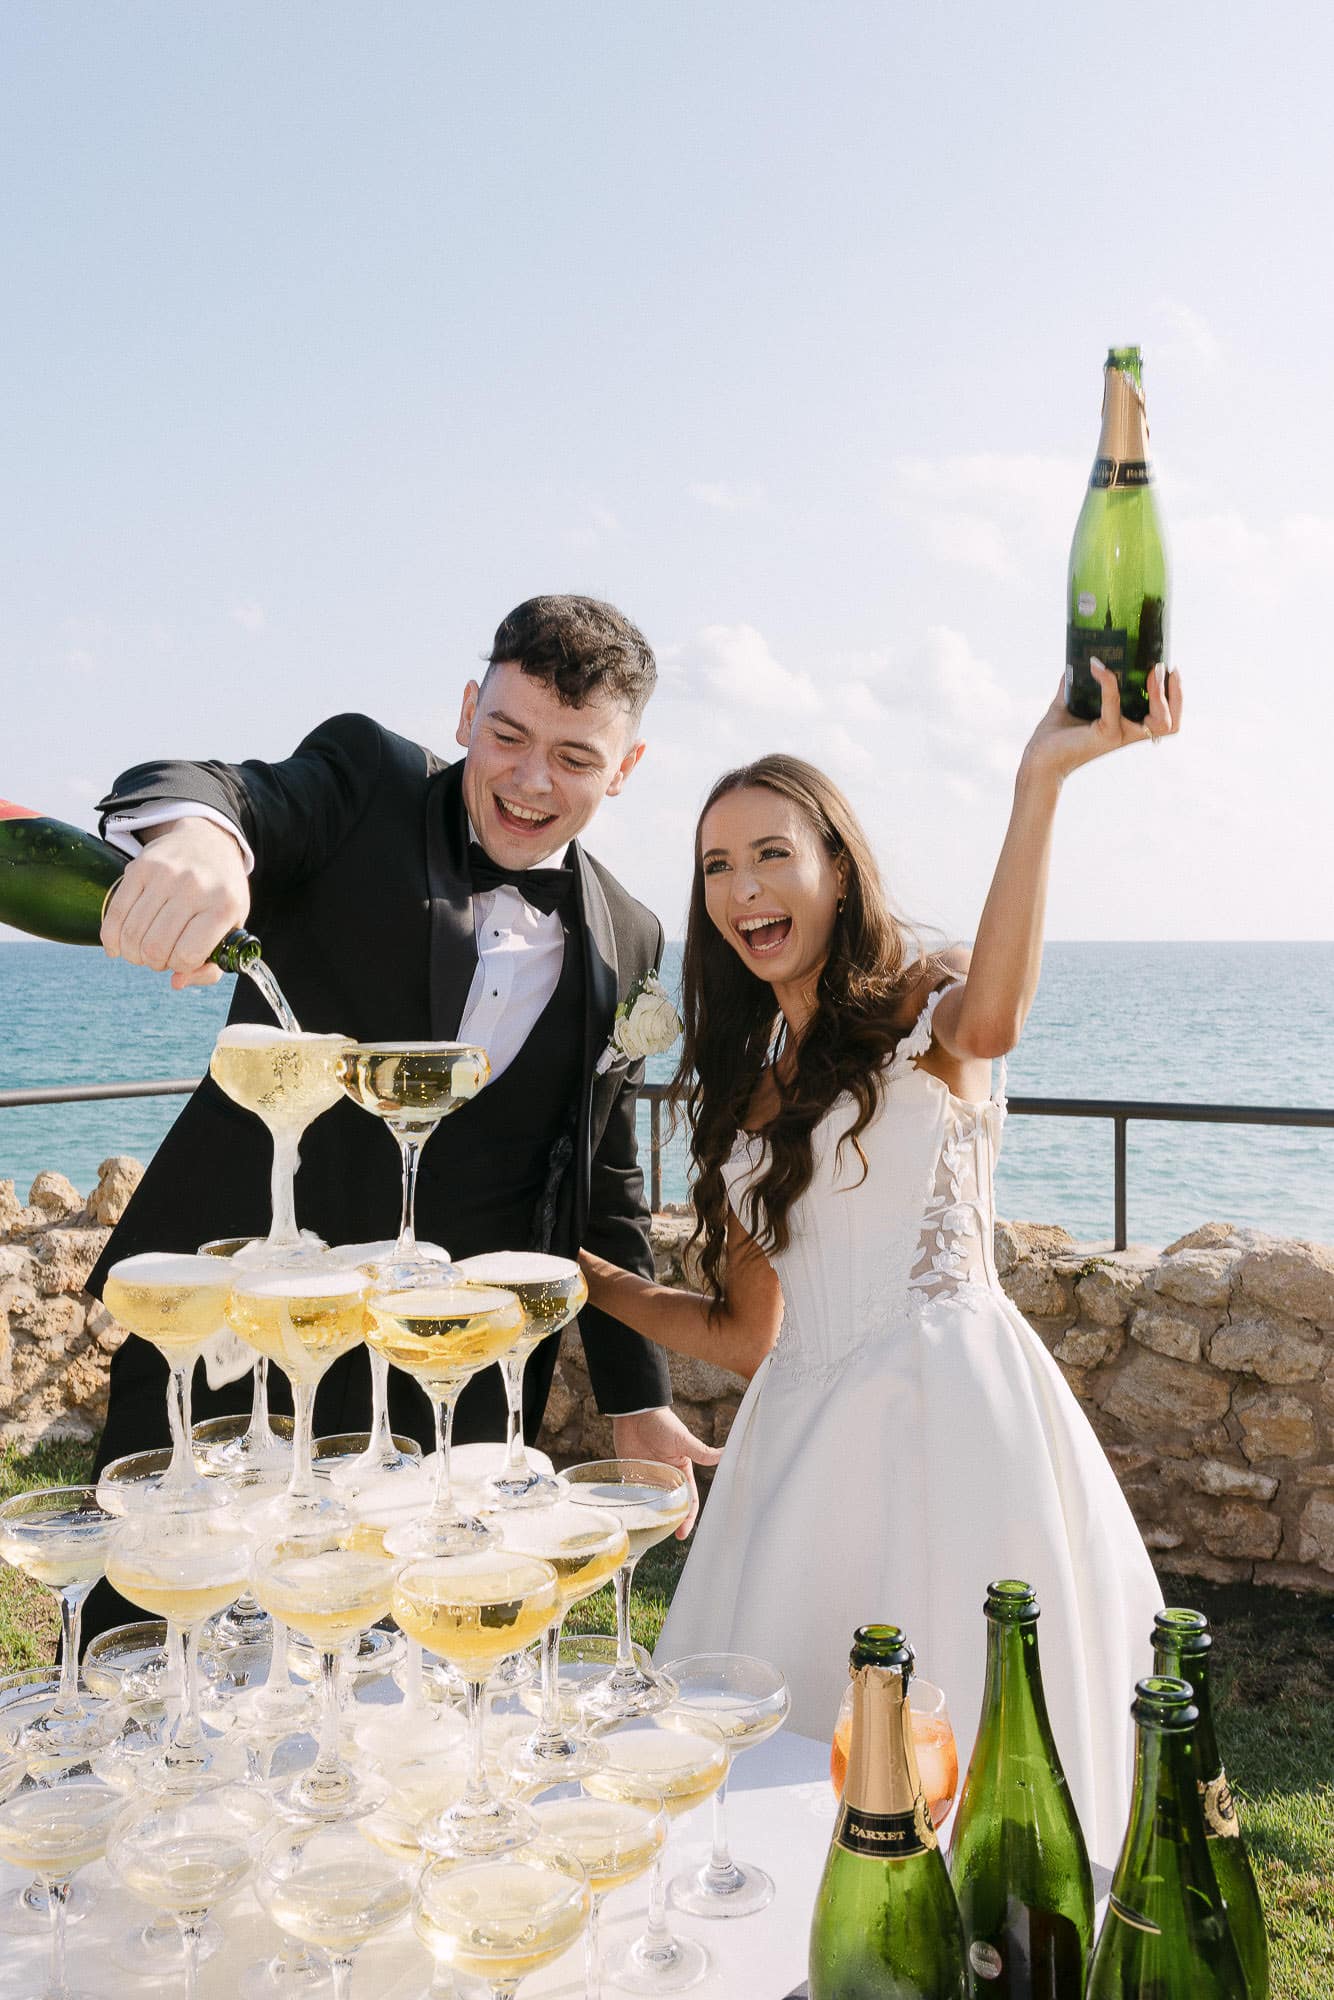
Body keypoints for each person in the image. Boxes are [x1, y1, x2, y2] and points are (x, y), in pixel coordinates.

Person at [579, 659, 1180, 1862]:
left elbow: (998, 1019)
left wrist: (1038, 780)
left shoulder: (925, 1006)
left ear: (835, 867)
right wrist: (589, 1278)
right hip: (792, 1449)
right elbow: (749, 1334)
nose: (741, 886)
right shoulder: (747, 1091)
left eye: (768, 853)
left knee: (966, 1776)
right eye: (714, 866)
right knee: (777, 1786)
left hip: (951, 1421)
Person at [82, 595, 717, 1638]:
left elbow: (599, 1188)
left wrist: (633, 1396)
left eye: (573, 756)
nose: (529, 779)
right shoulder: (367, 781)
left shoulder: (630, 937)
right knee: (159, 1622)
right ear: (468, 709)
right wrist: (200, 839)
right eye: (506, 734)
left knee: (390, 1664)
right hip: (239, 1327)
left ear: (627, 764)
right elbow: (221, 791)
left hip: (441, 1379)